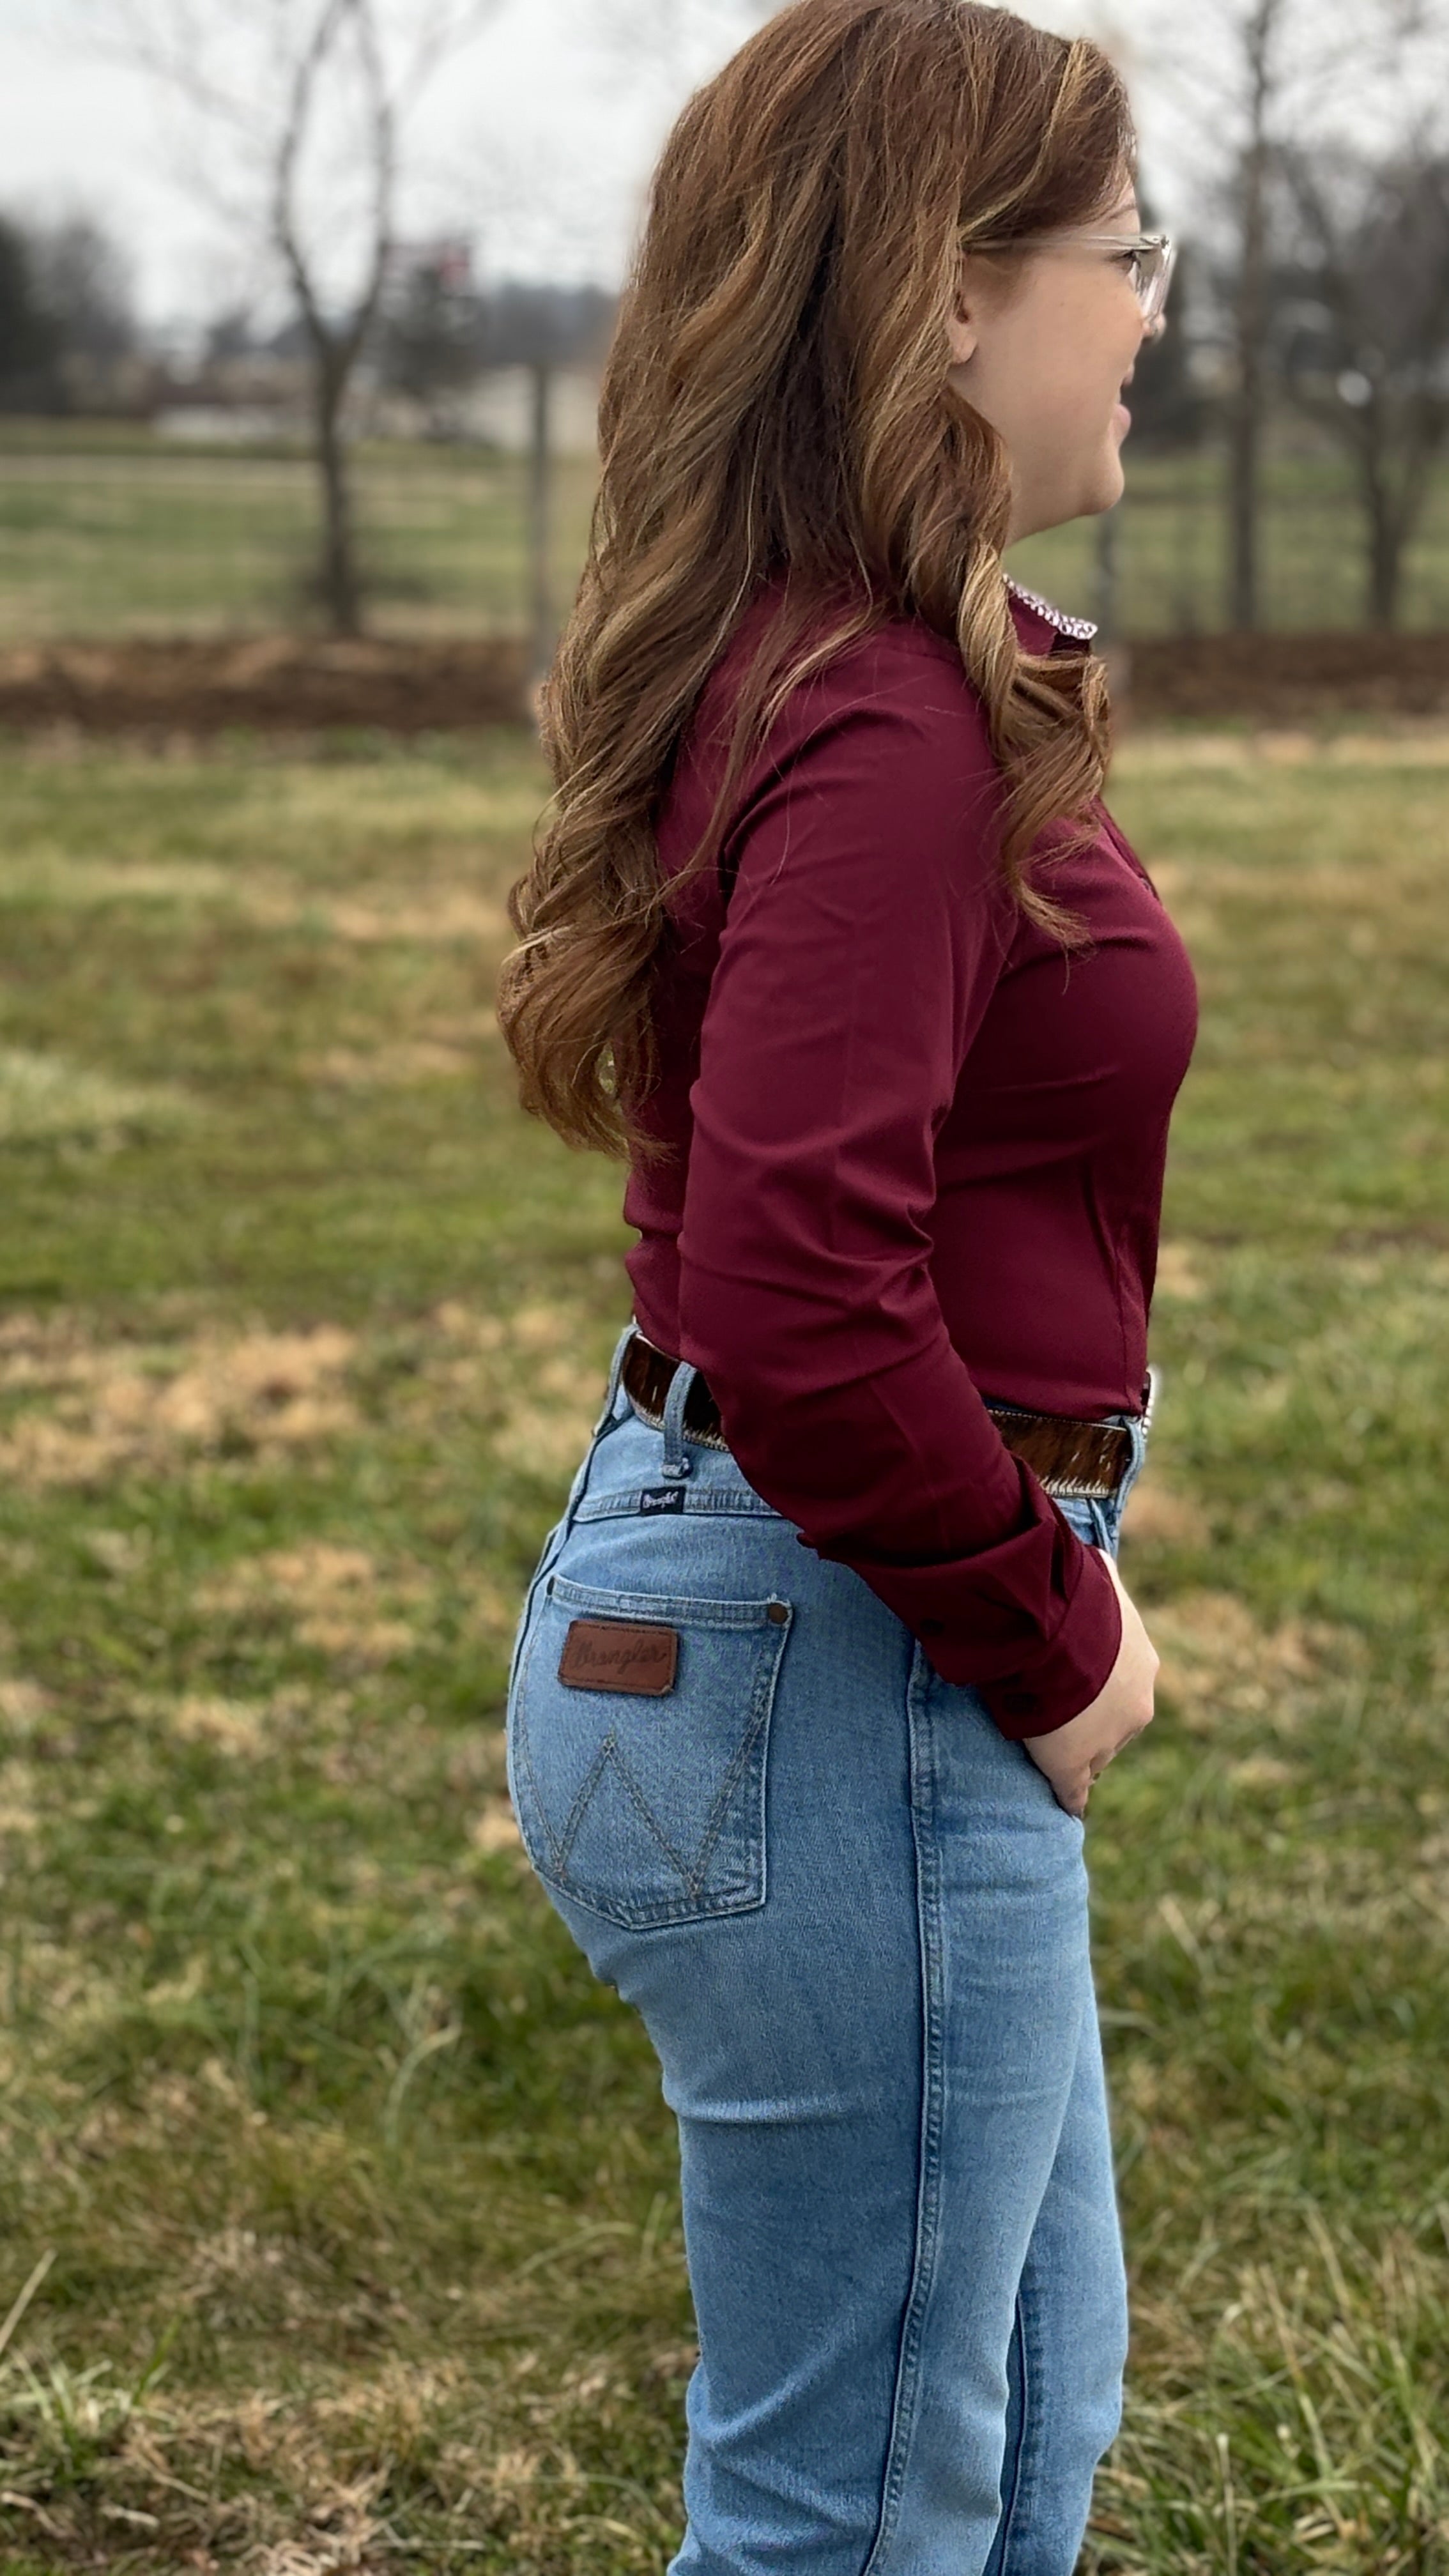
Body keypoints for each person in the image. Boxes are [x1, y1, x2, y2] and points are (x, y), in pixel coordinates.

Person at [495, 3, 1197, 2568]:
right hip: (850, 1657)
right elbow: (800, 1291)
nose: (1151, 308)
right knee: (864, 2514)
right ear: (949, 295)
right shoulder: (892, 715)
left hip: (794, 1633)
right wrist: (1047, 1625)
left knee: (1006, 2447)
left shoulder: (850, 660)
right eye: (1125, 250)